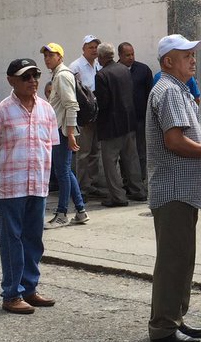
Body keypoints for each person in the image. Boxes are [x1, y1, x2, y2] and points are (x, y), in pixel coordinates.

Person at [147, 34, 201, 342]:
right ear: (168, 61)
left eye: (193, 54)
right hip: (173, 191)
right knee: (173, 261)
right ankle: (164, 327)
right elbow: (174, 141)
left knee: (183, 259)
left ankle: (176, 318)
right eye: (186, 55)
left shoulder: (176, 89)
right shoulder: (167, 91)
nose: (193, 60)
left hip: (181, 190)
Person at [0, 58, 59, 315]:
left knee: (33, 239)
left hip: (37, 184)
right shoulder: (0, 112)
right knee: (12, 241)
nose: (32, 81)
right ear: (11, 80)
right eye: (26, 77)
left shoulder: (46, 110)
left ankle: (29, 288)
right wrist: (7, 168)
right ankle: (11, 293)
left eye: (35, 75)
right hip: (10, 187)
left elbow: (51, 145)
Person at [40, 41, 89, 227]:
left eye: (51, 55)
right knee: (65, 171)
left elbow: (71, 105)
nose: (47, 58)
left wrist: (70, 133)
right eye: (45, 55)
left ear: (60, 57)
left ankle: (62, 213)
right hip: (60, 130)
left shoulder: (62, 76)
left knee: (62, 172)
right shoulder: (58, 75)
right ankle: (81, 210)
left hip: (62, 131)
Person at [94, 43, 146, 206]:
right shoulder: (124, 69)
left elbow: (103, 103)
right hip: (129, 123)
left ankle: (118, 197)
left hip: (111, 126)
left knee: (110, 163)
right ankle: (138, 191)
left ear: (102, 57)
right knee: (132, 159)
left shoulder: (102, 75)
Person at [73, 34, 106, 197]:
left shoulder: (99, 65)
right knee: (83, 151)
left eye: (96, 47)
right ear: (83, 49)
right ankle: (81, 187)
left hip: (98, 112)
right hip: (85, 114)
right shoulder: (76, 66)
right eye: (90, 47)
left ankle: (91, 183)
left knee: (95, 150)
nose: (94, 50)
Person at [118, 42, 153, 179]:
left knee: (141, 151)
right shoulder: (115, 72)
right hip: (122, 121)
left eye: (132, 54)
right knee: (124, 153)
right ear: (120, 55)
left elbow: (150, 94)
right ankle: (127, 181)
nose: (131, 57)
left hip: (140, 119)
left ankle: (141, 180)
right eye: (127, 55)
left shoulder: (143, 70)